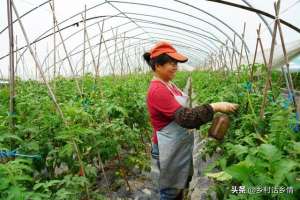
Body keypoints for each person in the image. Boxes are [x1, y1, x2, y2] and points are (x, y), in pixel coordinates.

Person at [144, 41, 239, 200]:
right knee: (170, 192)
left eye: (176, 63)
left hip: (176, 145)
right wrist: (214, 106)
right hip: (167, 148)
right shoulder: (157, 89)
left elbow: (184, 113)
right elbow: (185, 117)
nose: (175, 66)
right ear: (158, 66)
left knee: (179, 186)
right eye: (171, 63)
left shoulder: (168, 84)